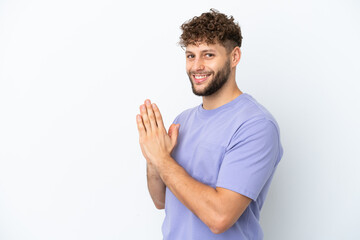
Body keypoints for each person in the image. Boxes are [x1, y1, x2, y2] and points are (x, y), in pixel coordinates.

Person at [136, 9, 283, 240]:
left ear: (234, 57)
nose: (197, 66)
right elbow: (161, 200)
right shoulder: (182, 122)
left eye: (208, 55)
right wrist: (153, 158)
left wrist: (162, 160)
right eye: (191, 55)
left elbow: (219, 217)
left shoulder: (256, 125)